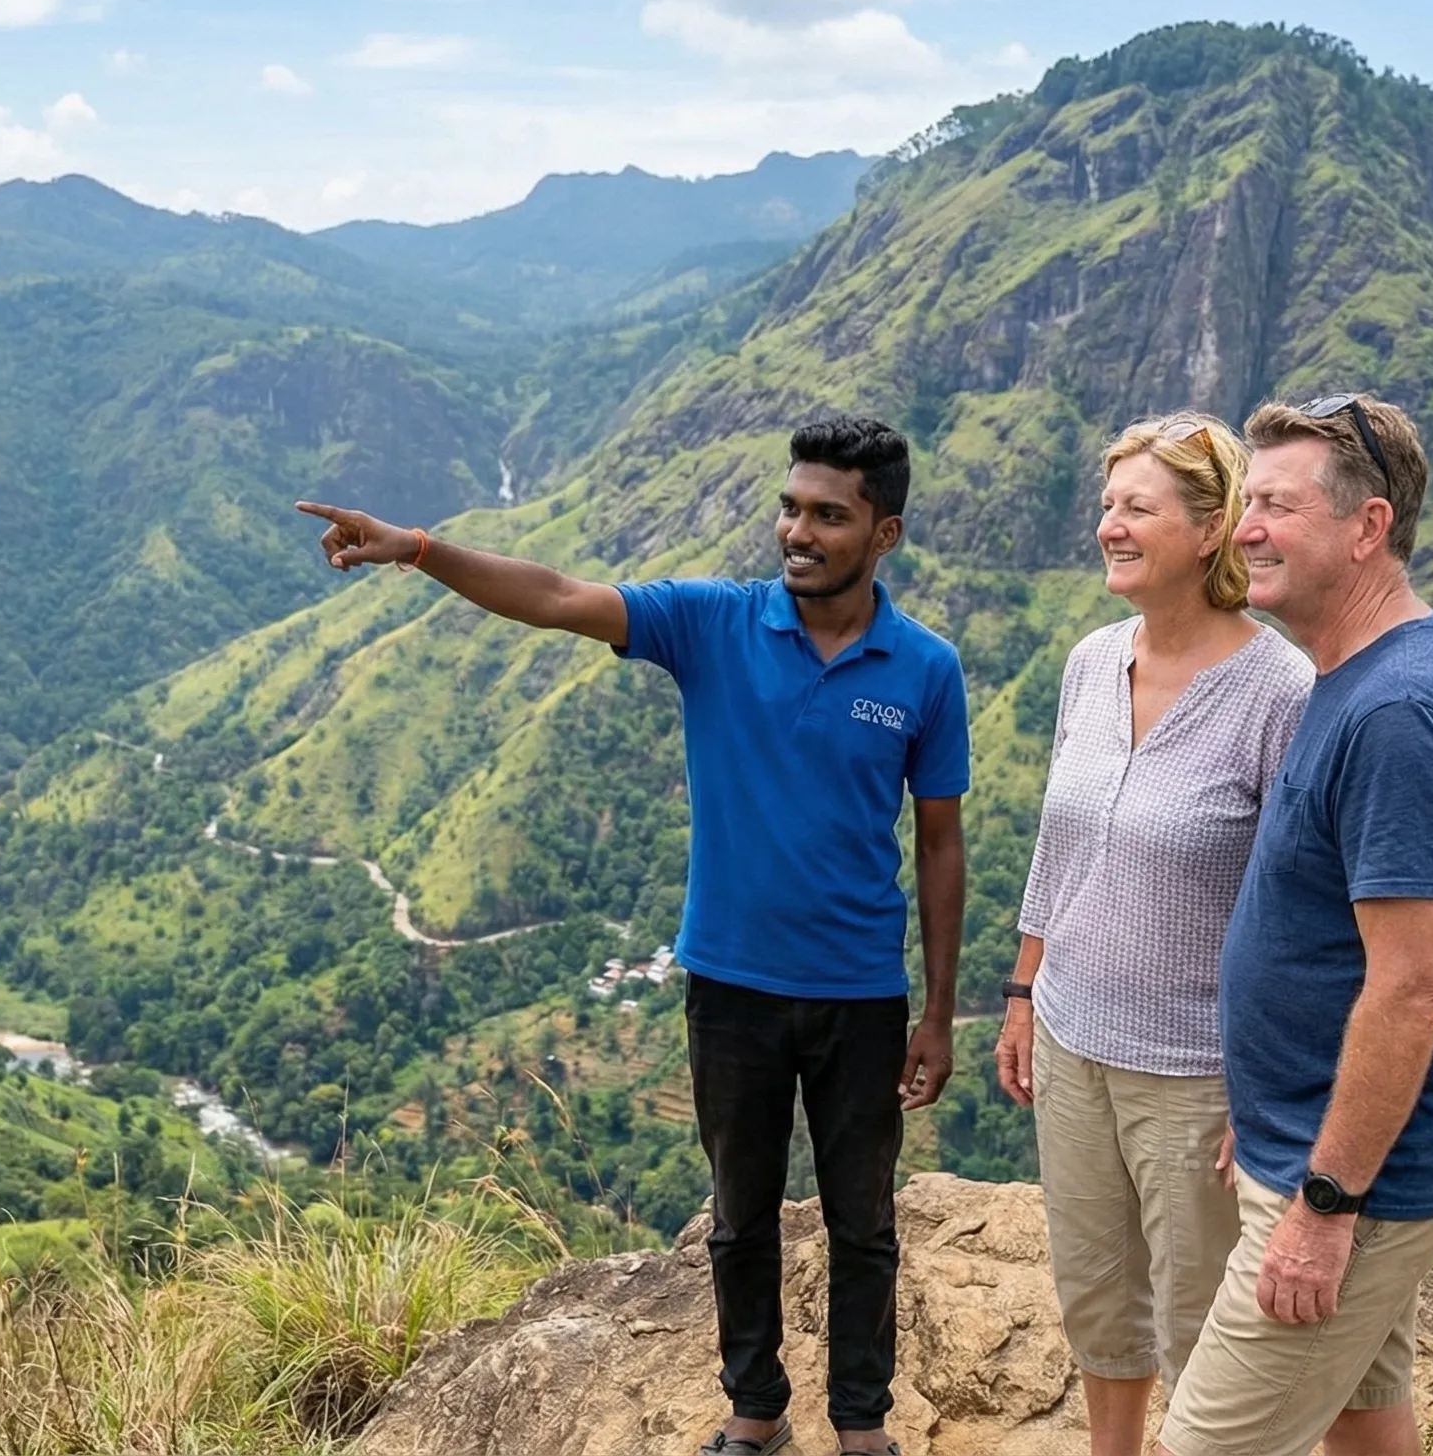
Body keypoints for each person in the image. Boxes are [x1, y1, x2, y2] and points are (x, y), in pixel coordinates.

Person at [296, 417, 970, 1456]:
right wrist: (421, 548)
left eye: (828, 515)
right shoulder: (715, 623)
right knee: (739, 1215)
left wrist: (934, 1012)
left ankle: (861, 1423)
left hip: (859, 993)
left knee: (862, 1222)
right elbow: (558, 597)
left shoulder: (924, 668)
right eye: (790, 506)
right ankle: (754, 1412)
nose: (796, 530)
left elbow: (938, 844)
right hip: (732, 986)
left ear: (884, 534)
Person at [1156, 393, 1433, 1456]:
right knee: (1365, 1412)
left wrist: (1322, 1200)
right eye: (1240, 502)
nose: (1243, 528)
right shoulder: (1353, 676)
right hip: (1325, 1146)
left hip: (1355, 1188)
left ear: (1366, 529)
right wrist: (1274, 1109)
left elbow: (1413, 986)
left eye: (1274, 503)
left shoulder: (1398, 712)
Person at [994, 411, 1313, 1456]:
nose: (1108, 528)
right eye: (1106, 507)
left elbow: (1301, 912)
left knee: (1195, 1315)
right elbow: (1058, 840)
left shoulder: (1279, 694)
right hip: (1071, 1036)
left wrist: (1267, 1088)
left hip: (1195, 1071)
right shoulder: (1091, 662)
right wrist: (1022, 991)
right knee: (1094, 1291)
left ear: (1213, 527)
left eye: (1137, 509)